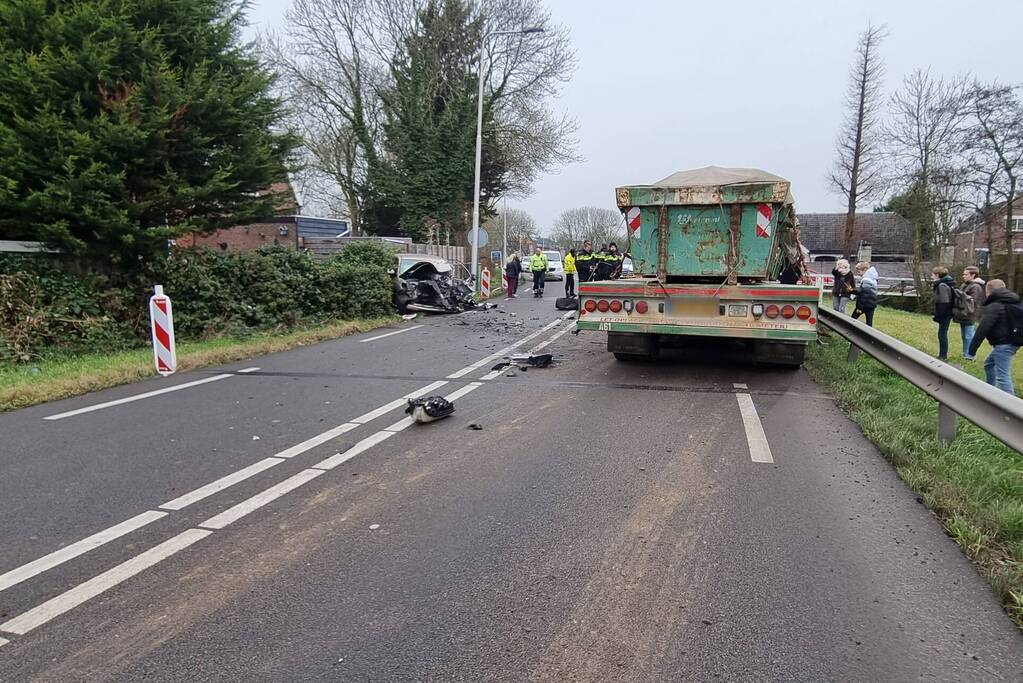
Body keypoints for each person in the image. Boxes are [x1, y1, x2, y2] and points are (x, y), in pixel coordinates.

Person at [967, 278, 1022, 395]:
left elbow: (982, 329)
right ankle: (991, 392)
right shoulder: (1014, 302)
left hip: (1004, 344)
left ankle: (1011, 408)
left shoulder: (995, 306)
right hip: (1014, 342)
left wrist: (971, 351)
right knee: (989, 364)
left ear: (989, 292)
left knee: (1003, 376)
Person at [958, 266, 986, 360]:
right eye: (963, 274)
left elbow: (972, 302)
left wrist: (961, 295)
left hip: (970, 314)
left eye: (966, 274)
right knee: (964, 335)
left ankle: (970, 355)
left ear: (973, 275)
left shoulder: (976, 286)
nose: (963, 276)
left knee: (969, 336)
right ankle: (965, 352)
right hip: (963, 313)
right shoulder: (964, 285)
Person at [931, 265, 955, 361]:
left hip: (945, 313)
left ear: (937, 275)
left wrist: (939, 316)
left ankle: (943, 355)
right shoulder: (947, 283)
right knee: (942, 333)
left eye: (933, 274)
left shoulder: (942, 285)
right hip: (946, 312)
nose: (931, 276)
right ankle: (942, 354)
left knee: (942, 334)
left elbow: (944, 302)